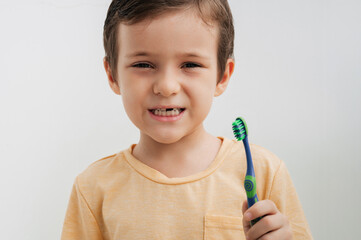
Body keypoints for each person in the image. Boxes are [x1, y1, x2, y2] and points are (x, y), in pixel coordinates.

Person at [61, 0, 312, 239]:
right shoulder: (93, 188)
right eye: (144, 64)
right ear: (112, 74)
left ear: (223, 75)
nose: (167, 86)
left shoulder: (264, 172)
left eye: (190, 64)